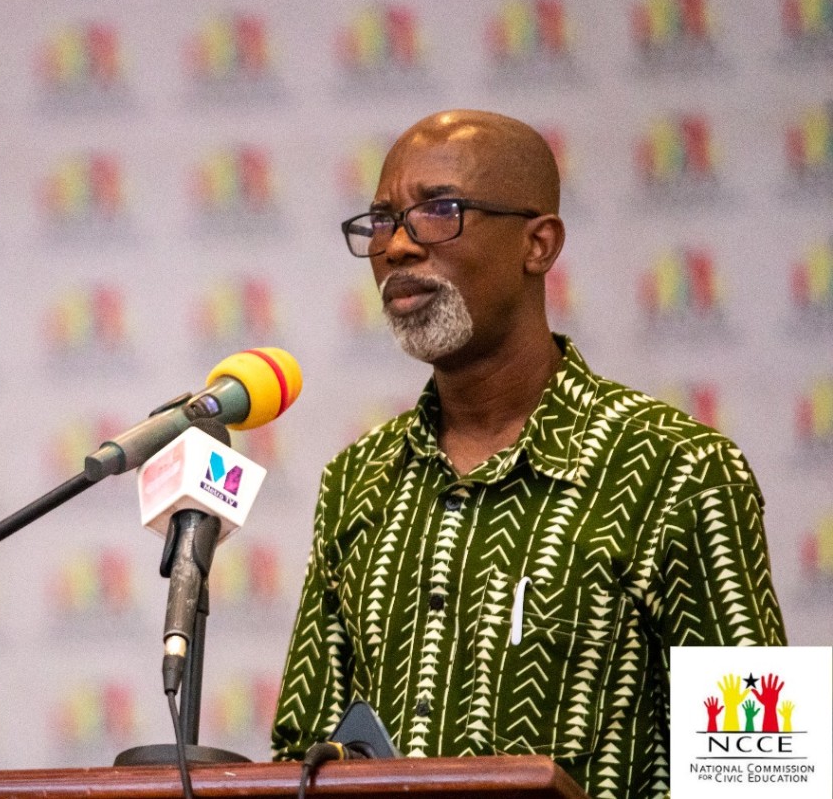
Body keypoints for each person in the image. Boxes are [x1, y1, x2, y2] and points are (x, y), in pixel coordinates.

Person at [270, 110, 786, 798]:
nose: (397, 246)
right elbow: (301, 752)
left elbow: (763, 769)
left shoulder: (679, 468)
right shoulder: (357, 479)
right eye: (384, 220)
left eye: (439, 210)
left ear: (538, 244)